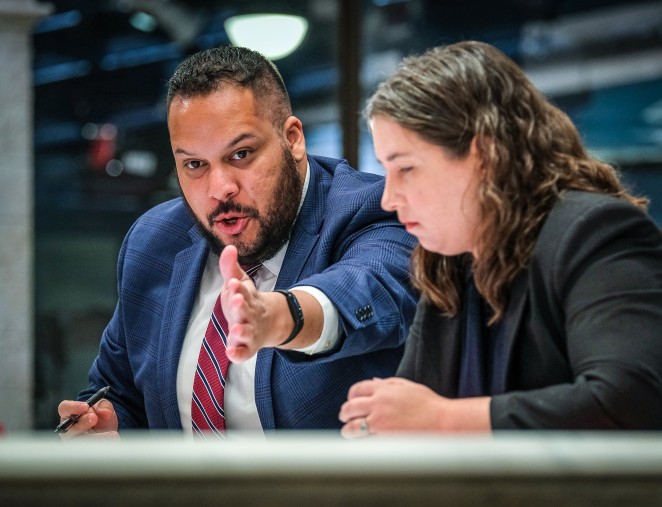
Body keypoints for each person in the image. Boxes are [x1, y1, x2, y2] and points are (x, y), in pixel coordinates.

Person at [339, 40, 662, 437]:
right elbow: (416, 409)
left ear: (486, 156)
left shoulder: (600, 232)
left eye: (406, 169)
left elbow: (623, 405)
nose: (389, 198)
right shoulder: (450, 264)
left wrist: (442, 419)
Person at [56, 45, 417, 438]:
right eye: (194, 165)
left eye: (241, 154)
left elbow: (366, 290)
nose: (220, 189)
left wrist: (279, 316)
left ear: (292, 139)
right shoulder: (153, 242)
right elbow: (119, 390)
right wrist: (109, 425)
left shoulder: (373, 209)